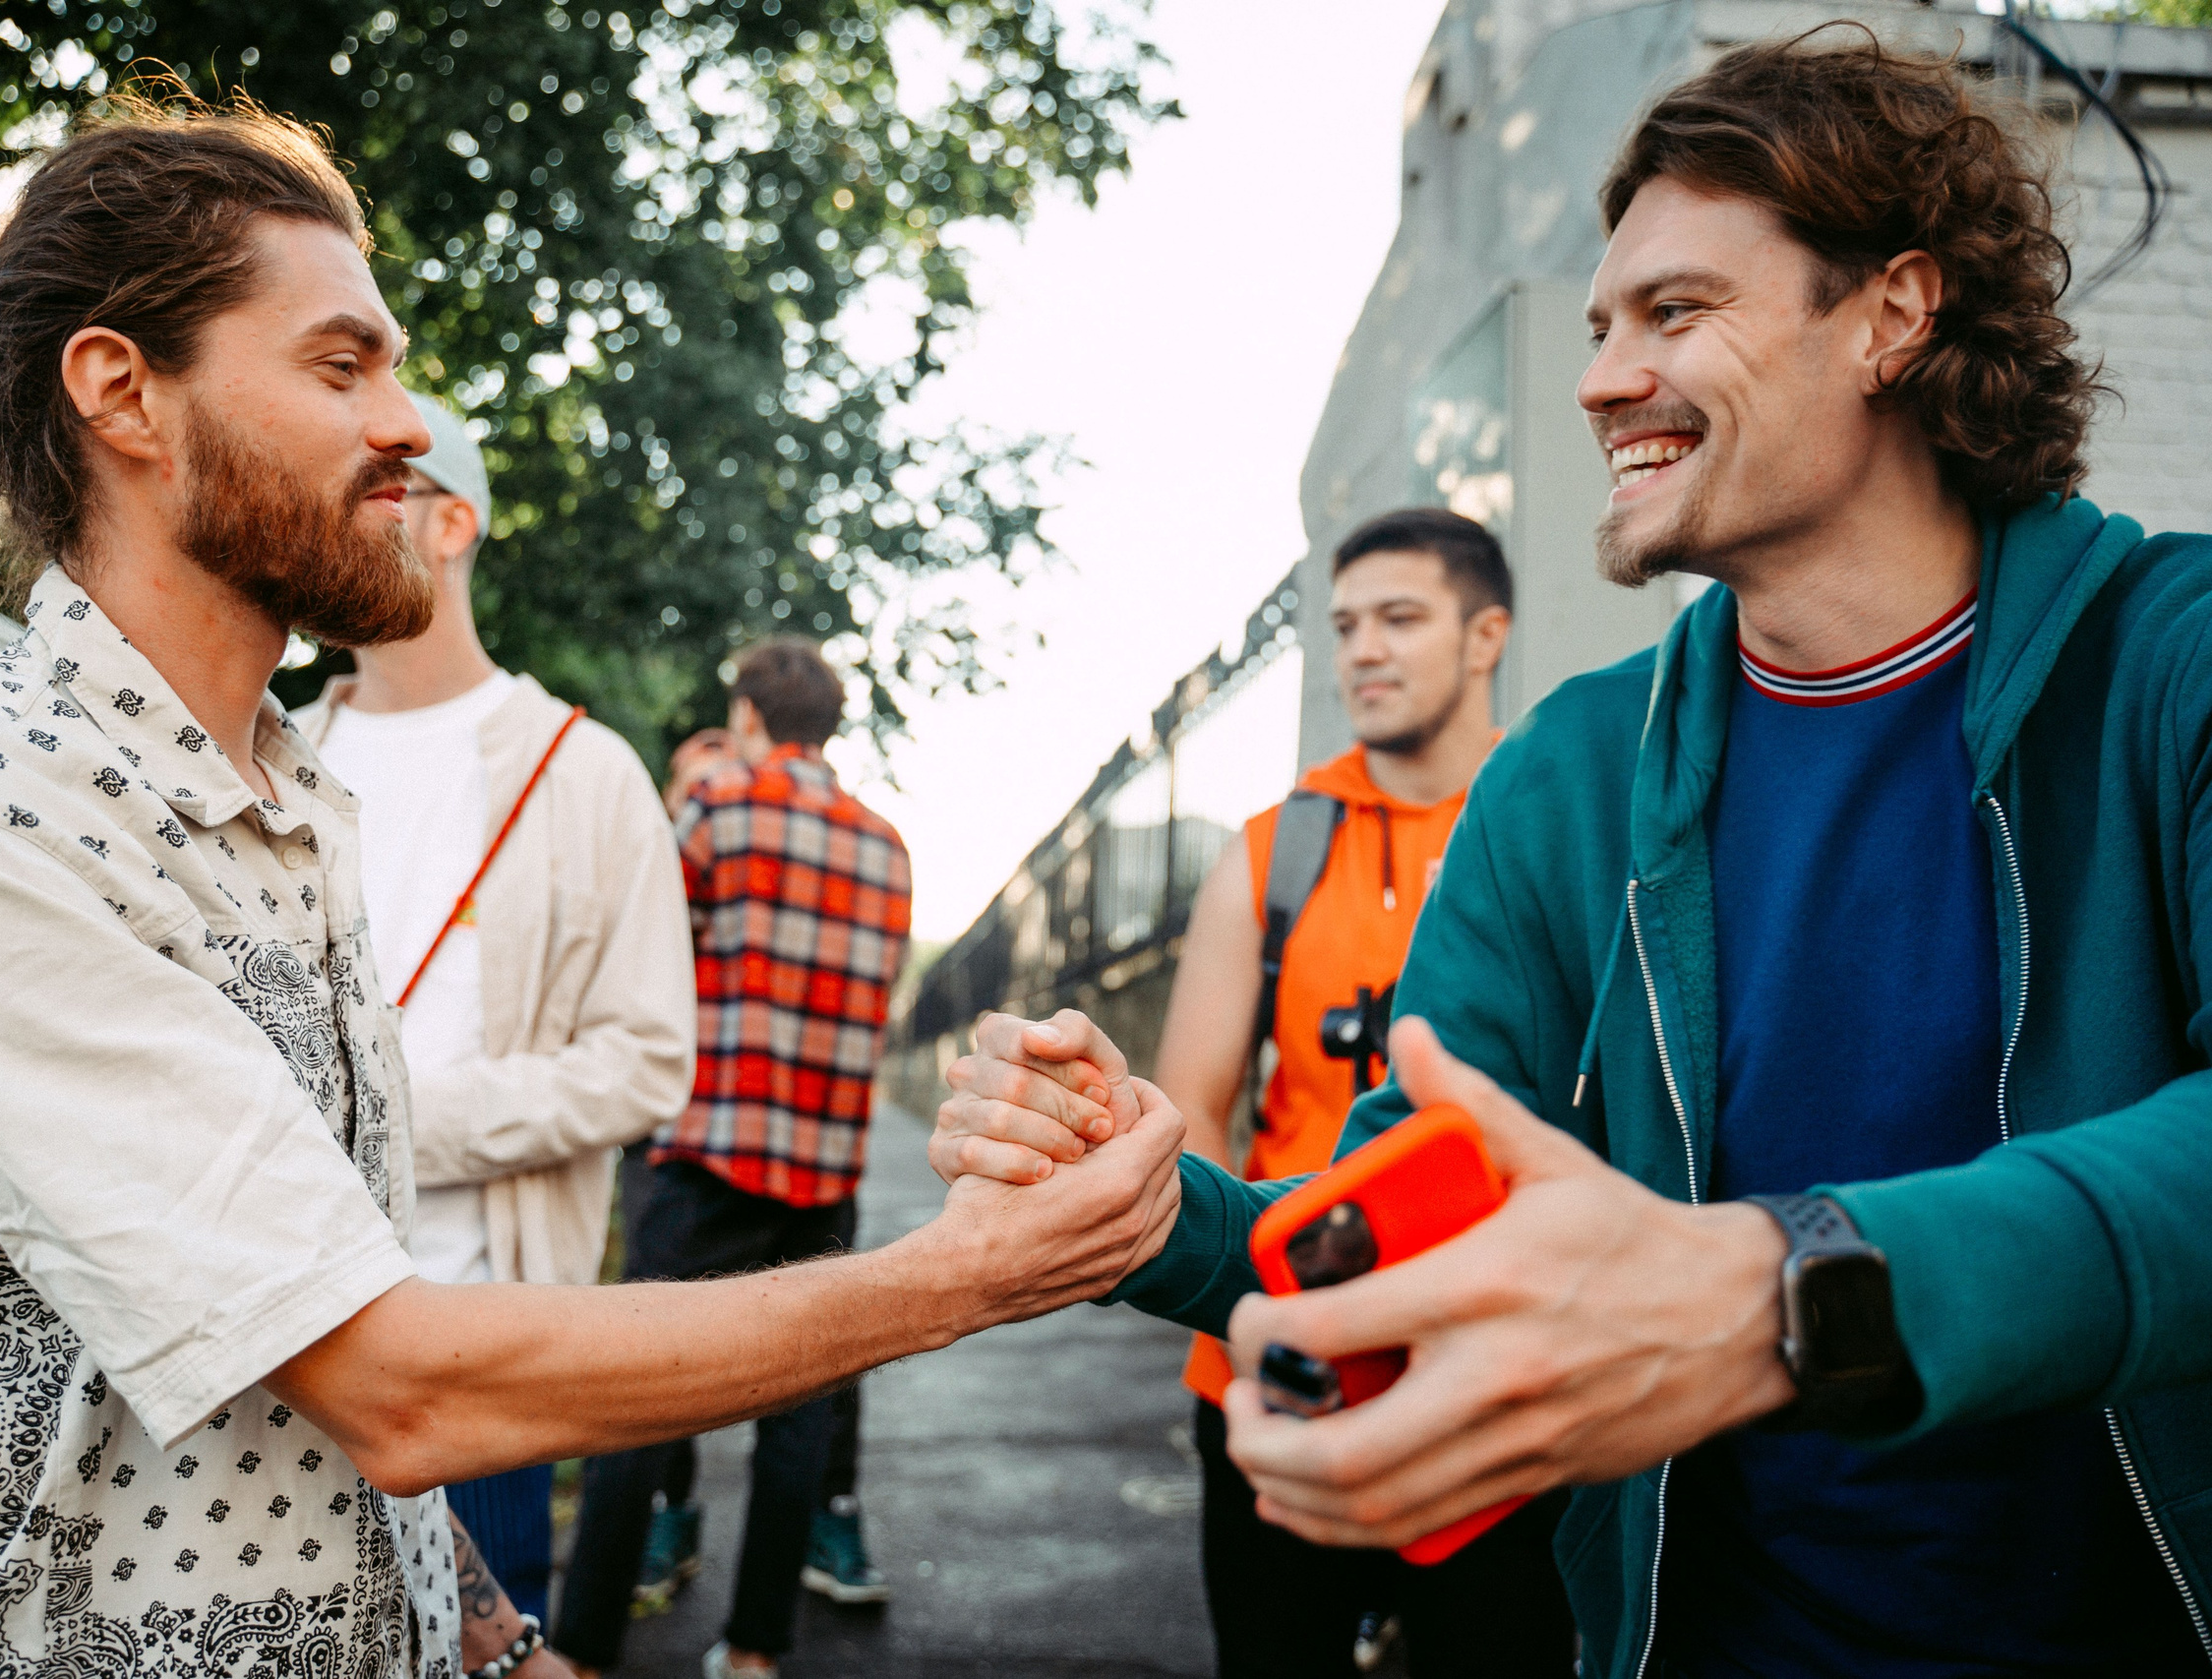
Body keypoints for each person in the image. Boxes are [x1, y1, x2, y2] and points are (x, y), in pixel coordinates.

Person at [0, 92, 1182, 1679]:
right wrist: (968, 1272)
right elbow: (396, 1383)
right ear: (123, 391)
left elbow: (294, 1380)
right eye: (341, 366)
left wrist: (497, 1633)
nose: (407, 424)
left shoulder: (285, 801)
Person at [933, 29, 2212, 1678]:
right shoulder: (1570, 772)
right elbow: (1410, 1214)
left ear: (1893, 313)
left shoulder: (2172, 659)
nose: (1604, 379)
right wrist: (1148, 1207)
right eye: (1601, 326)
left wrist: (1781, 1293)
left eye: (1676, 311)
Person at [291, 390, 696, 1623]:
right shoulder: (267, 752)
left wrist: (395, 1123)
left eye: (370, 491)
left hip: (479, 1352)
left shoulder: (585, 771)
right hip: (273, 1343)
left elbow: (646, 1061)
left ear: (451, 522)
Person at [1153, 508, 1569, 1678]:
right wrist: (1249, 1315)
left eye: (1398, 618)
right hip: (1286, 1361)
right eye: (1343, 627)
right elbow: (1190, 1119)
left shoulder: (1551, 826)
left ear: (1485, 636)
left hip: (1497, 1367)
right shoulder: (1273, 850)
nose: (1362, 652)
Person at [557, 638, 912, 1679]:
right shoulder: (887, 844)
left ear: (749, 717)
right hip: (825, 1166)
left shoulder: (716, 810)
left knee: (636, 1395)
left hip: (708, 1150)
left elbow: (645, 959)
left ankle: (584, 1651)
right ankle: (755, 1648)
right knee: (800, 1411)